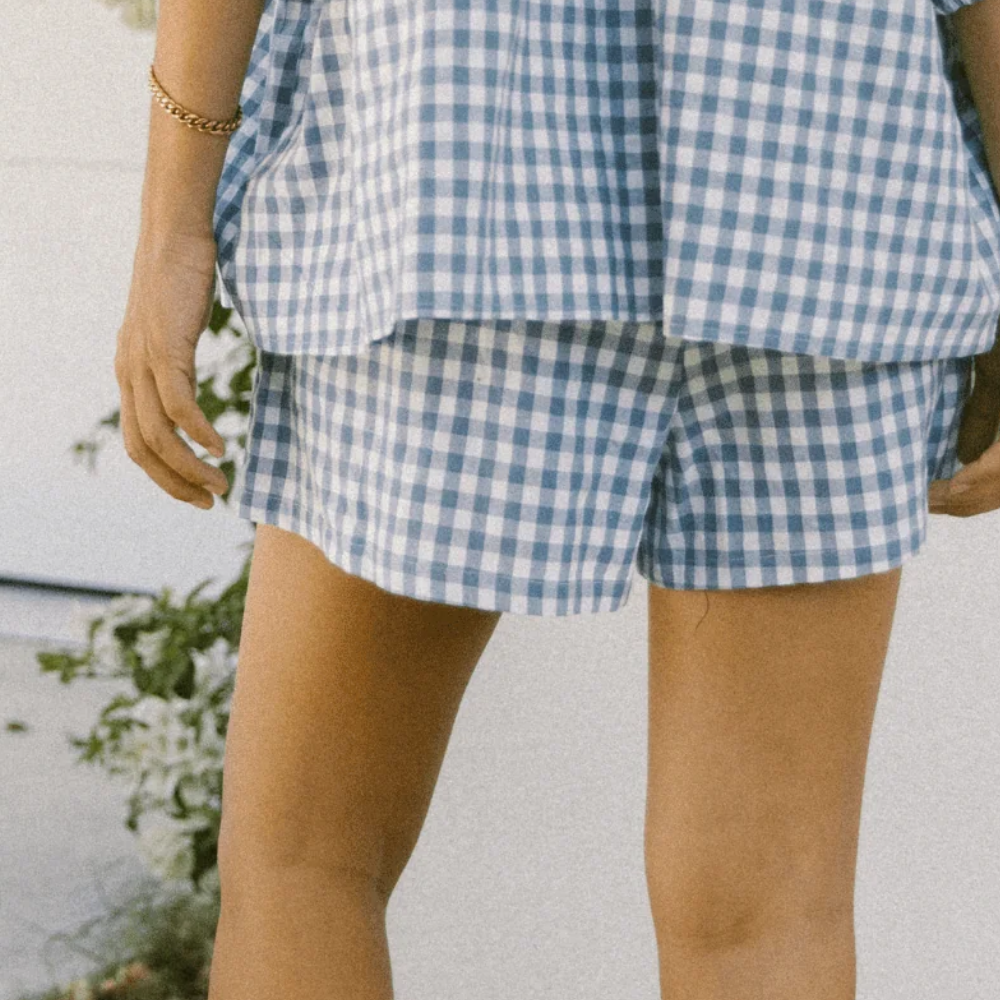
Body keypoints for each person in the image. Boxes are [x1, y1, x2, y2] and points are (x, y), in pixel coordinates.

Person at [113, 1, 1000, 997]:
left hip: (452, 168)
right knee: (766, 920)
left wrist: (172, 230)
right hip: (826, 178)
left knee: (306, 865)